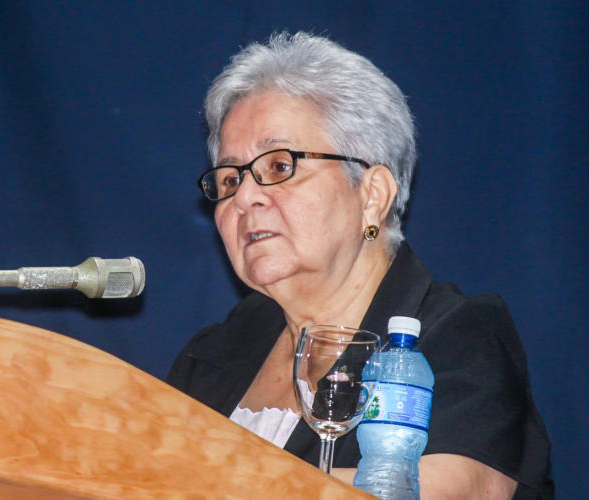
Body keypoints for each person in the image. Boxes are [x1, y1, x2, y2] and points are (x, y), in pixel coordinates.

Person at [167, 32, 553, 499]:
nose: (245, 197)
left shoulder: (458, 338)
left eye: (280, 166)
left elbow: (451, 490)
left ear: (372, 196)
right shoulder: (212, 355)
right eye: (230, 179)